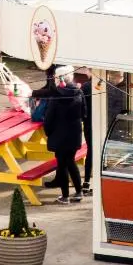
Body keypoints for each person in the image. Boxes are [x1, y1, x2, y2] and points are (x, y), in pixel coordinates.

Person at [36, 65, 86, 204]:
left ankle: (65, 196)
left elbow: (49, 118)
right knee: (71, 162)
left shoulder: (56, 95)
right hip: (74, 133)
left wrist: (49, 133)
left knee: (62, 165)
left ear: (59, 78)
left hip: (59, 134)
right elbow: (84, 113)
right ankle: (79, 191)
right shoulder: (79, 92)